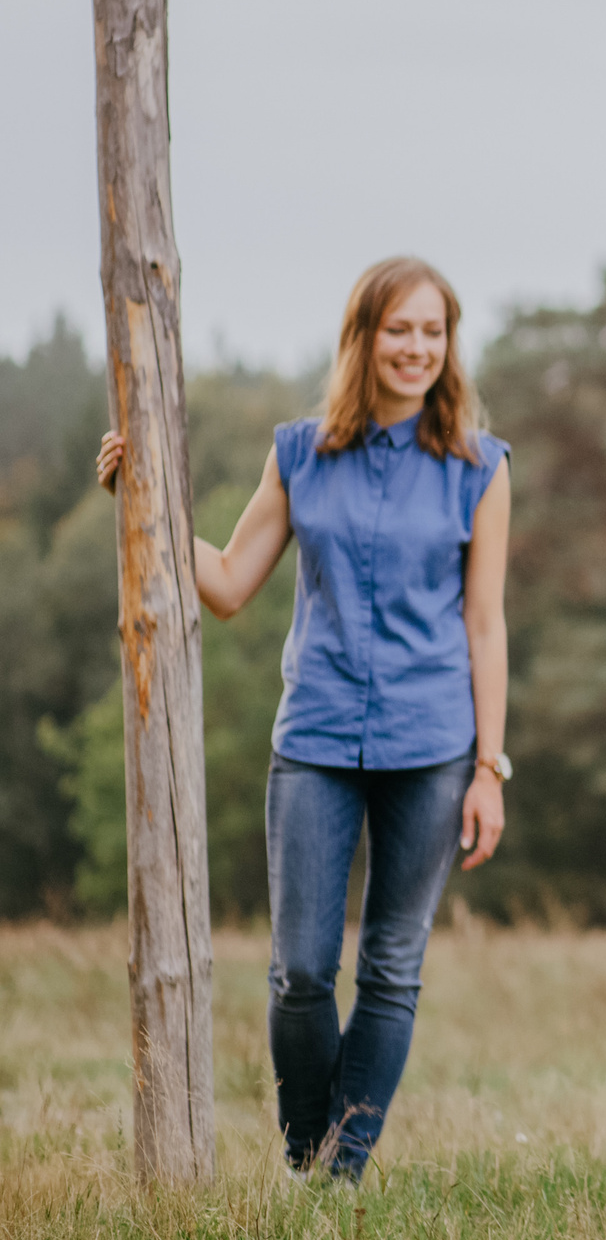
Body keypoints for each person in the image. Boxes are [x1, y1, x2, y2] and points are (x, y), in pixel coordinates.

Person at [97, 256, 511, 1181]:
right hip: (316, 740)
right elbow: (228, 583)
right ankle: (304, 1156)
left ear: (449, 344)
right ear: (362, 337)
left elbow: (486, 623)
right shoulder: (300, 453)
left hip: (434, 748)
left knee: (392, 967)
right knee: (301, 972)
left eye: (433, 331)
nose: (416, 348)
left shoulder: (481, 468)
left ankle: (340, 1173)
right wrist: (144, 497)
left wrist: (490, 767)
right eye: (398, 329)